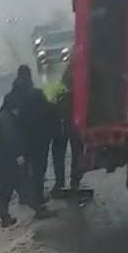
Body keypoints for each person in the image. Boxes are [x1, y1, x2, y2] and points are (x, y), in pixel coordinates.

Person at [10, 64, 57, 217]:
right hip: (39, 139)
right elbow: (50, 112)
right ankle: (38, 202)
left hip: (22, 140)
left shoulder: (13, 96)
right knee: (38, 171)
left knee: (25, 169)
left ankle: (25, 196)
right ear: (29, 77)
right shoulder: (36, 95)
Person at [44, 64, 82, 196]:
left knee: (60, 154)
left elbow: (49, 105)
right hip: (73, 127)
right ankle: (75, 182)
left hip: (61, 127)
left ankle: (60, 182)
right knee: (77, 154)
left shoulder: (58, 89)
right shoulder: (79, 91)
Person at [0, 92, 25, 227]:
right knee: (16, 187)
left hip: (0, 161)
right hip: (7, 161)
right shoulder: (6, 120)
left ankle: (5, 217)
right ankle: (38, 209)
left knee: (5, 191)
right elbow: (10, 139)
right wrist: (18, 155)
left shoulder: (0, 117)